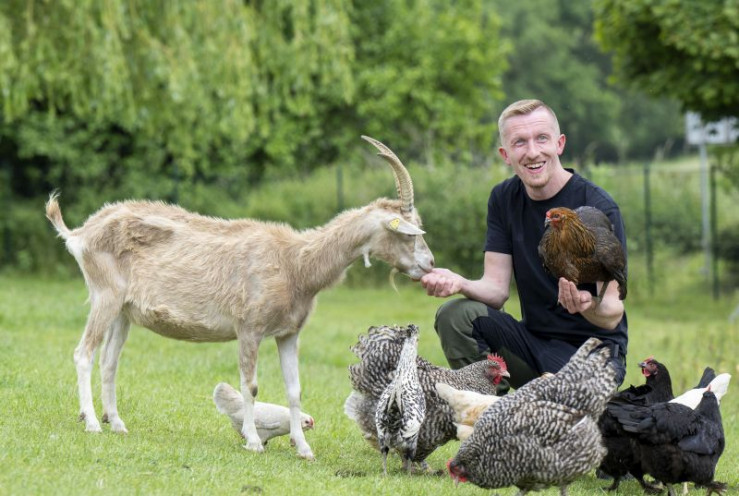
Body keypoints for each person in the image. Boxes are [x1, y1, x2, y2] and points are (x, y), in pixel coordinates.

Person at [420, 99, 627, 390]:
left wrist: (585, 304)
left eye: (541, 138)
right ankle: (490, 412)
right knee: (455, 316)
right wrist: (459, 282)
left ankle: (585, 408)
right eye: (519, 142)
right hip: (532, 343)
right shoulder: (503, 199)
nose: (532, 152)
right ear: (505, 154)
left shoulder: (598, 207)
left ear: (559, 144)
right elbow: (496, 290)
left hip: (593, 355)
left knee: (556, 412)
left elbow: (612, 314)